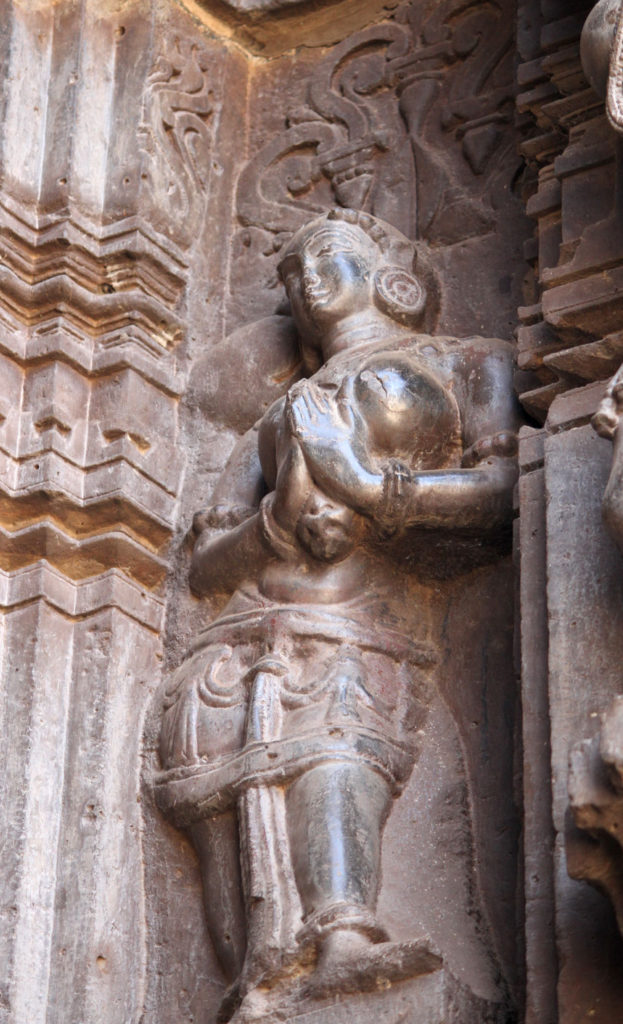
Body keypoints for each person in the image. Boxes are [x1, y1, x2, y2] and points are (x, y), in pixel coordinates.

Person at [154, 209, 519, 1023]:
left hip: (362, 632)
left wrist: (370, 489)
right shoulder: (278, 415)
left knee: (338, 760)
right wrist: (279, 525)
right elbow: (207, 564)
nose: (305, 280)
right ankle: (260, 978)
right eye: (288, 276)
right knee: (233, 839)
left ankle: (345, 942)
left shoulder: (469, 363)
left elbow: (504, 496)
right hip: (233, 649)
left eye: (325, 257)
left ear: (389, 275)